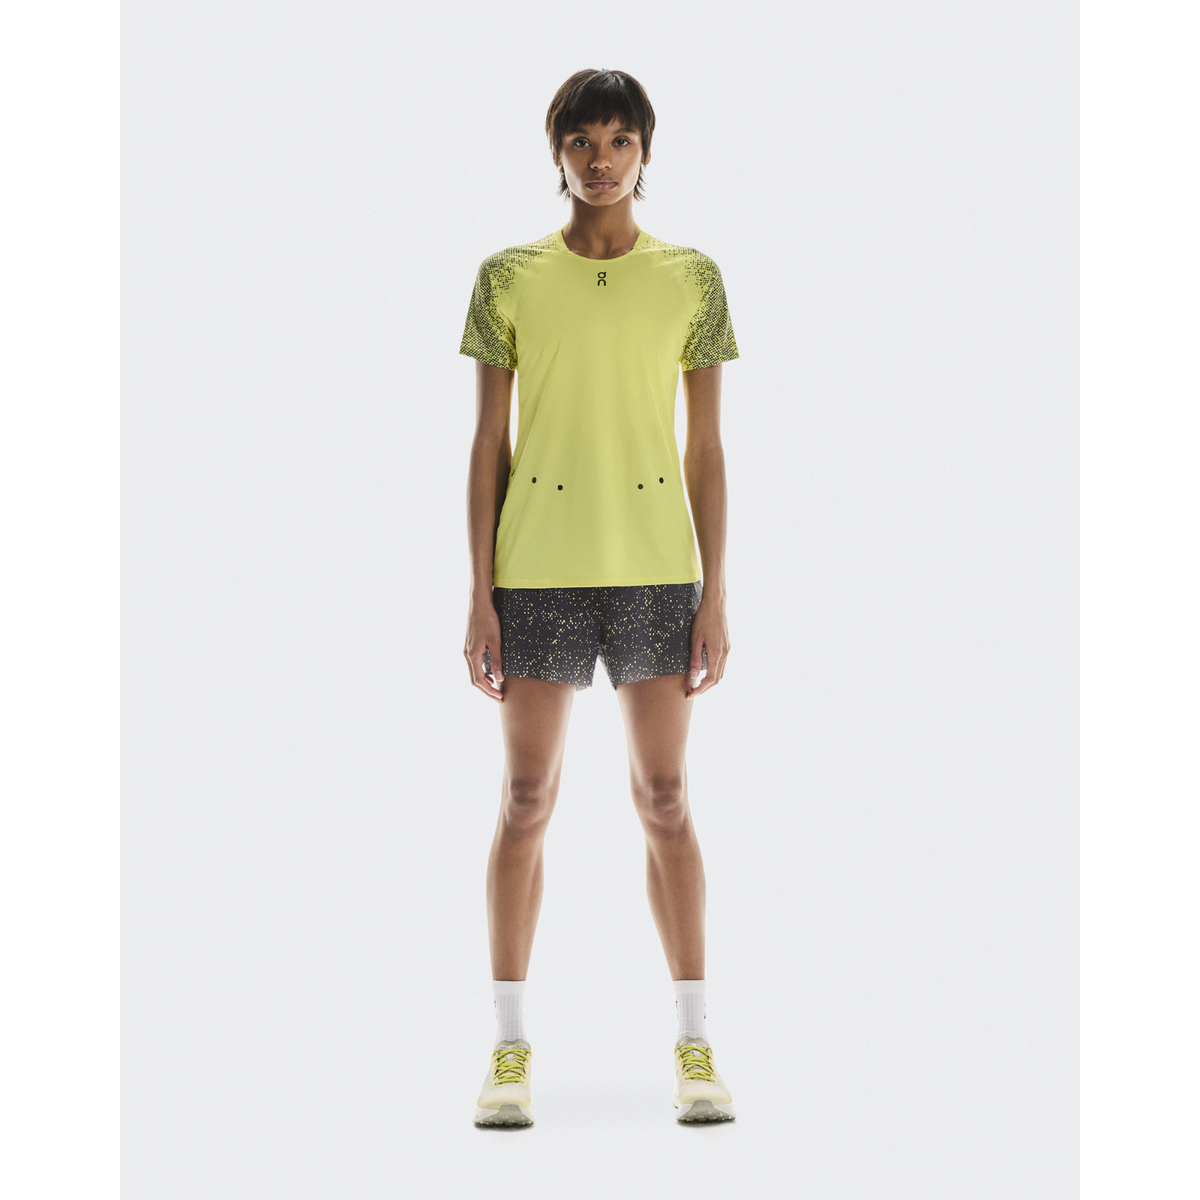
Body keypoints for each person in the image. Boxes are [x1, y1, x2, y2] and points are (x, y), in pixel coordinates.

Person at [460, 68, 739, 1126]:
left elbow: (706, 448)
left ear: (645, 152)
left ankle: (696, 1042)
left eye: (620, 139)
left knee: (664, 798)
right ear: (558, 152)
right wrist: (479, 593)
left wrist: (716, 593)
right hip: (536, 570)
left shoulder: (694, 278)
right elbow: (487, 443)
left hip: (658, 570)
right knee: (527, 798)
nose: (602, 158)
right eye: (583, 139)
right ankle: (508, 1050)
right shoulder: (506, 277)